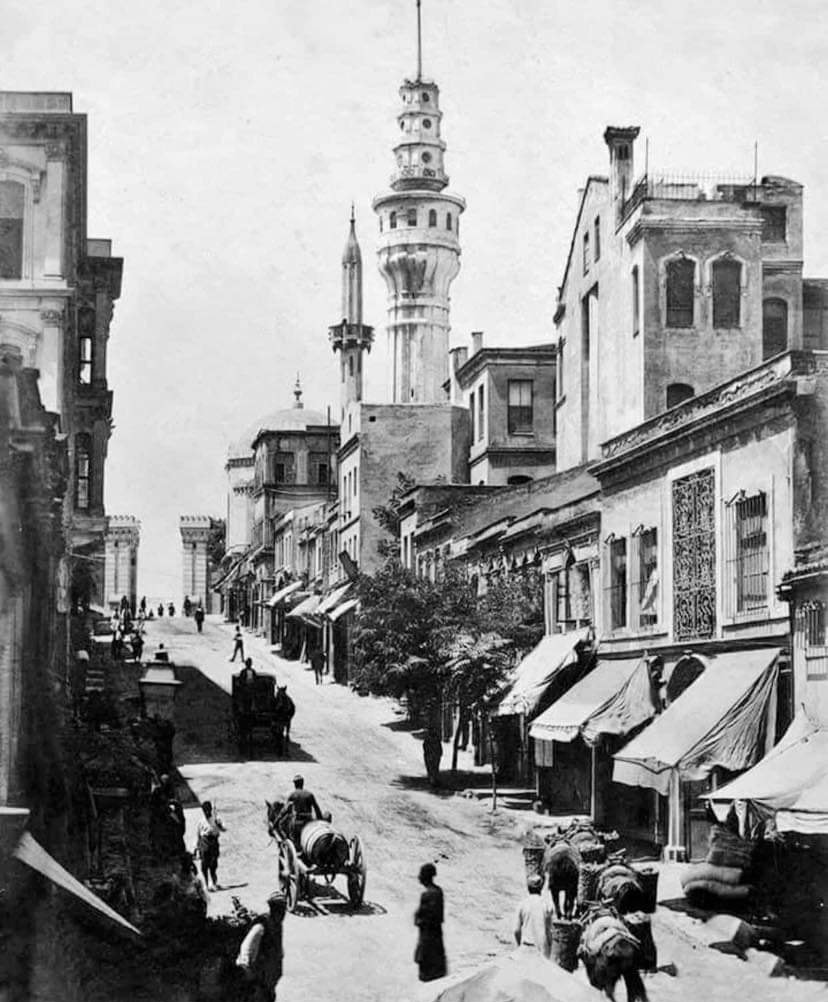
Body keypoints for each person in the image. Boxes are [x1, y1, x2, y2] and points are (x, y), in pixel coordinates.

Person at [235, 891, 286, 1001]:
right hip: (258, 980)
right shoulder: (261, 926)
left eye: (283, 909)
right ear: (272, 908)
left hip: (269, 980)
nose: (282, 913)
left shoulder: (277, 925)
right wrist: (247, 972)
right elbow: (246, 948)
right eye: (279, 909)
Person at [414, 862, 447, 982]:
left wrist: (418, 919)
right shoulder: (439, 891)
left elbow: (425, 917)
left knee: (427, 966)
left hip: (427, 935)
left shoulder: (427, 895)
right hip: (436, 934)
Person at [280, 775, 322, 850]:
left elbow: (285, 810)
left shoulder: (293, 795)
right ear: (302, 783)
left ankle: (290, 844)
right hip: (309, 821)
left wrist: (279, 819)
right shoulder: (309, 794)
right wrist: (321, 821)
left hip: (297, 822)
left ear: (295, 784)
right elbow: (317, 809)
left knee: (284, 826)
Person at [513, 874, 551, 957]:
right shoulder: (546, 906)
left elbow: (516, 930)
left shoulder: (522, 904)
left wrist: (519, 945)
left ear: (528, 887)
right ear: (541, 887)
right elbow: (549, 932)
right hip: (541, 949)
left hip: (526, 947)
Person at [195, 800, 226, 892]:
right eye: (205, 811)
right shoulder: (201, 821)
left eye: (208, 810)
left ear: (211, 810)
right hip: (205, 842)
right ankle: (207, 883)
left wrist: (219, 825)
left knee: (213, 863)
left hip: (214, 841)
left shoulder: (216, 819)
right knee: (204, 864)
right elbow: (198, 834)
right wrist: (197, 847)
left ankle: (214, 882)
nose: (207, 812)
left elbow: (224, 829)